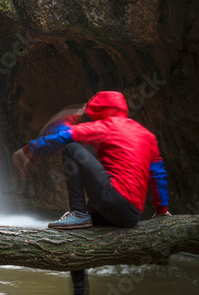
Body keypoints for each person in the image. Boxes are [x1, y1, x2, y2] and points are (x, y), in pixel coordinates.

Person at [13, 91, 170, 229]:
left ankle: (79, 213)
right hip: (131, 216)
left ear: (100, 111)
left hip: (113, 201)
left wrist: (29, 150)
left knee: (72, 149)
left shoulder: (106, 126)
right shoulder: (148, 136)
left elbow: (63, 135)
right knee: (95, 203)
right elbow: (158, 174)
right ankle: (85, 216)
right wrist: (162, 210)